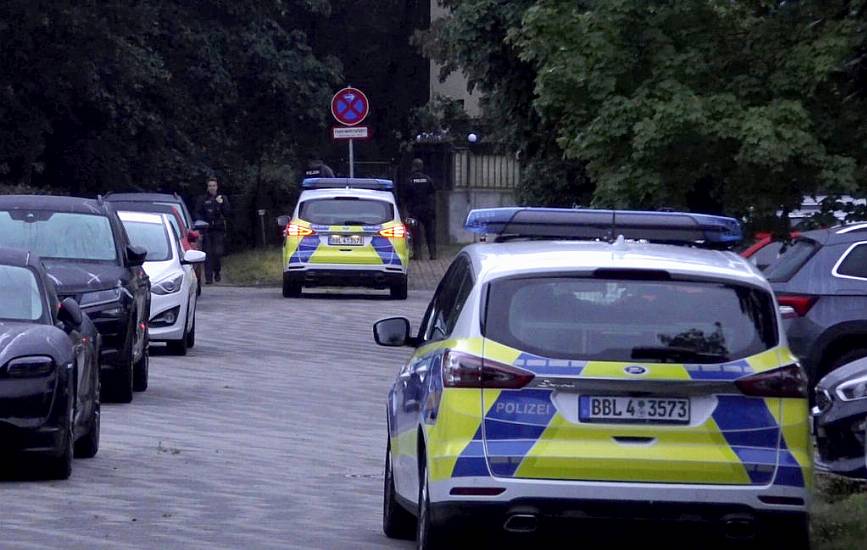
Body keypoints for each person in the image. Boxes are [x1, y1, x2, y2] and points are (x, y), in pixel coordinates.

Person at [195, 178, 231, 284]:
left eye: (214, 185)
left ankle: (217, 271)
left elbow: (227, 213)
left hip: (218, 230)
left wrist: (221, 204)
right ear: (207, 187)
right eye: (210, 186)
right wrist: (202, 223)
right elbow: (197, 213)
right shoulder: (202, 199)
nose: (212, 188)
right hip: (206, 229)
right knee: (208, 253)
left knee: (217, 252)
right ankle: (208, 278)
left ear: (217, 187)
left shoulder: (222, 198)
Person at [404, 158, 438, 260]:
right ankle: (433, 254)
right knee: (430, 233)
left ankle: (417, 255)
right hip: (428, 210)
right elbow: (433, 193)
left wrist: (407, 208)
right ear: (422, 167)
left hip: (414, 211)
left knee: (415, 232)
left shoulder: (410, 180)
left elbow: (405, 196)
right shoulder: (428, 179)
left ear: (413, 167)